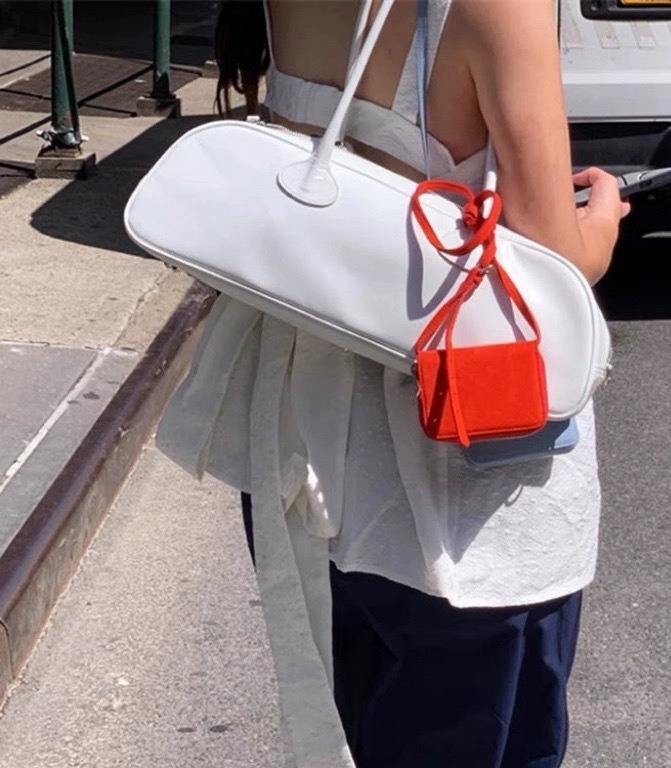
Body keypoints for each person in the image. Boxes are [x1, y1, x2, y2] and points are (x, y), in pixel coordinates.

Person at [158, 2, 630, 767]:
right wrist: (603, 220)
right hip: (457, 459)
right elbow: (557, 259)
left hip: (301, 431)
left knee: (367, 715)